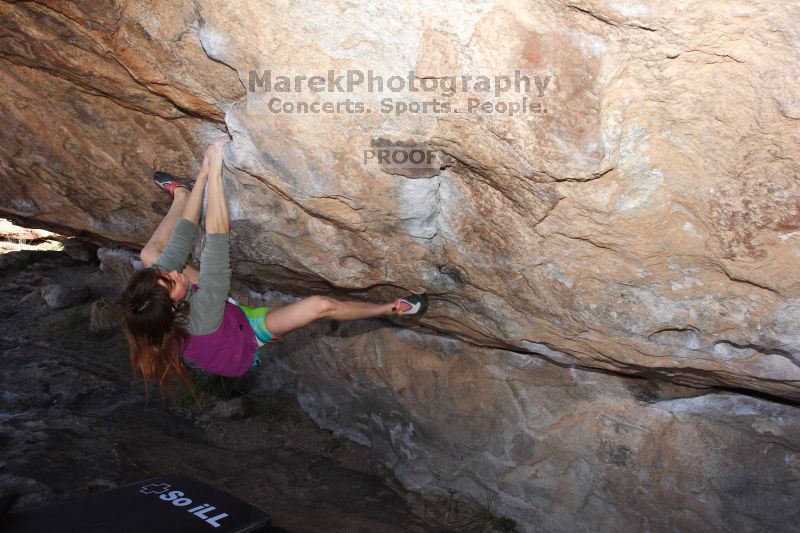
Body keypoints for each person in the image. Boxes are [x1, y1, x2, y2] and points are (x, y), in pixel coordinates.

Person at [119, 140, 428, 391]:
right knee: (319, 306)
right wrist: (215, 175)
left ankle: (181, 194)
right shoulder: (202, 315)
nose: (172, 272)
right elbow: (217, 237)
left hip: (211, 317)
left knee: (150, 257)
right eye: (171, 282)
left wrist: (199, 179)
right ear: (173, 306)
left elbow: (182, 239)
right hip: (243, 341)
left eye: (164, 276)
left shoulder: (156, 298)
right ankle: (392, 309)